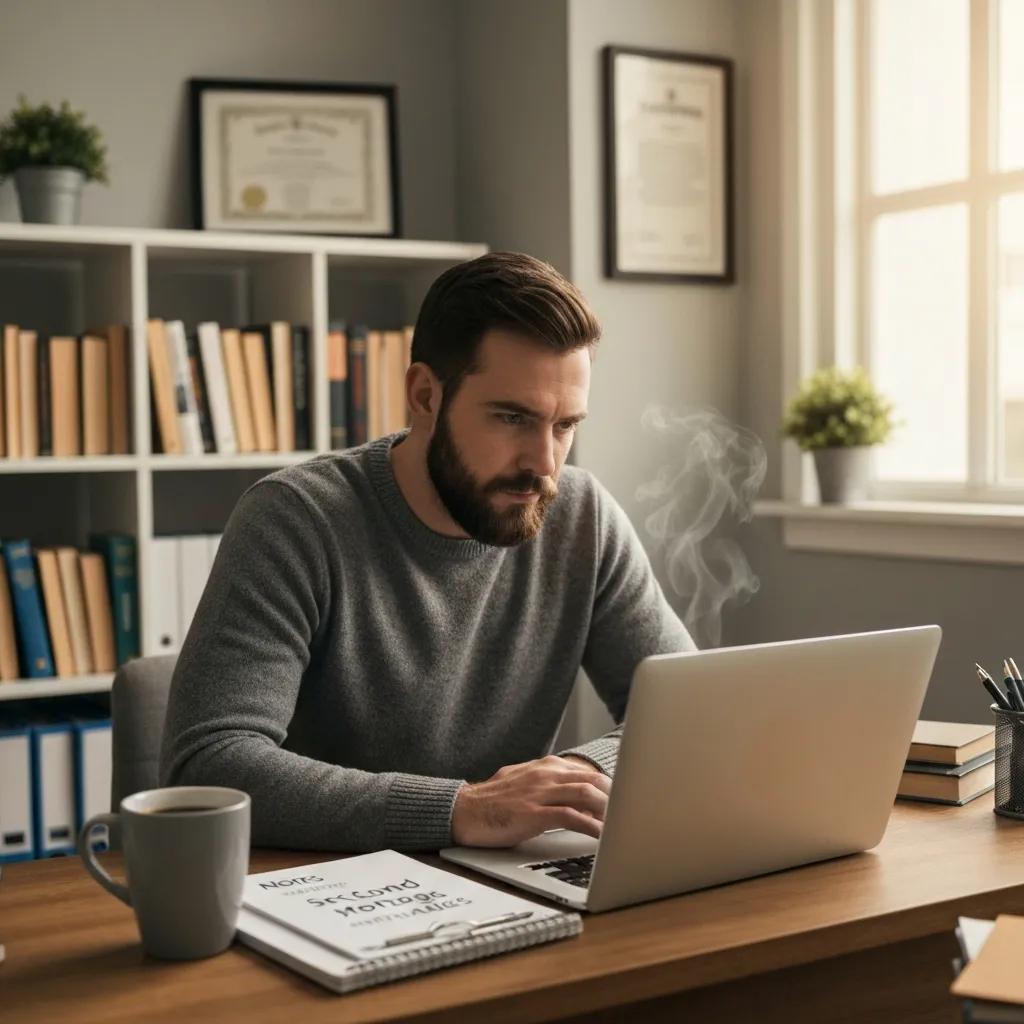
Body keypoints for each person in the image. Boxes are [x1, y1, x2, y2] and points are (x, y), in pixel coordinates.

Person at [159, 251, 695, 852]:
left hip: (503, 880)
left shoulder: (582, 519)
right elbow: (208, 766)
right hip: (324, 892)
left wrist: (579, 778)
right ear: (424, 395)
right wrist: (464, 810)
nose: (545, 464)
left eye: (565, 426)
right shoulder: (295, 520)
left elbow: (688, 711)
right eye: (512, 417)